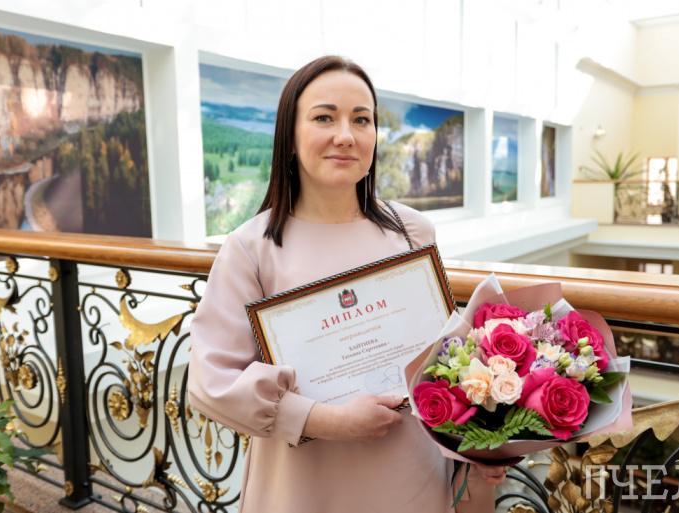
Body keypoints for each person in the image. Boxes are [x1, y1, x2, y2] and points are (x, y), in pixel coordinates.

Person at [187, 56, 507, 513]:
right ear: (289, 135)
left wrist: (482, 440)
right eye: (324, 118)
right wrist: (326, 420)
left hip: (411, 469)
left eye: (362, 120)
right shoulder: (251, 248)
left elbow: (440, 358)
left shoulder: (413, 232)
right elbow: (212, 381)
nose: (346, 135)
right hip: (308, 482)